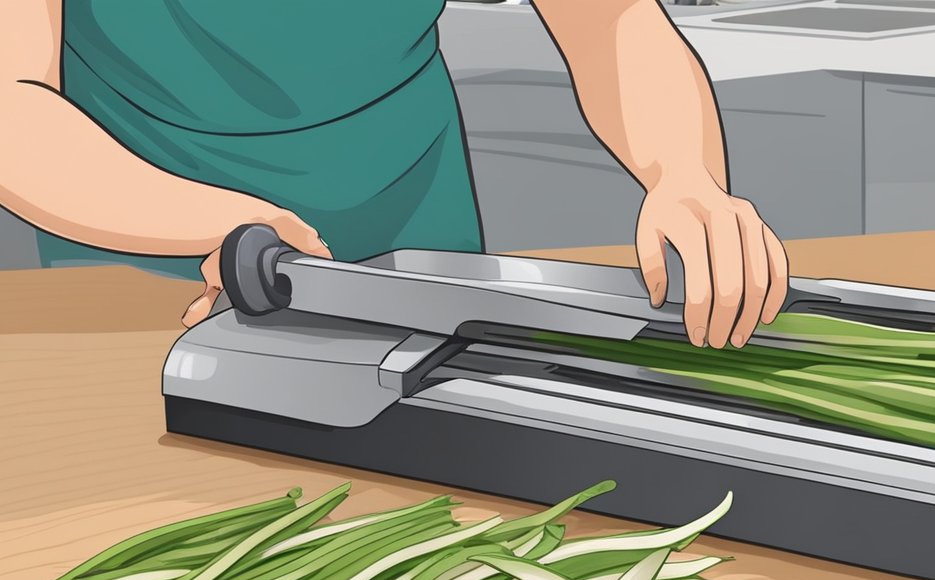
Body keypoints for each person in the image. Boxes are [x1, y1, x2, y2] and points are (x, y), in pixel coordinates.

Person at [0, 0, 789, 349]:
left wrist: (686, 174)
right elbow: (11, 102)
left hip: (418, 235)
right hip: (152, 259)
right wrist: (207, 223)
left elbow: (610, 20)